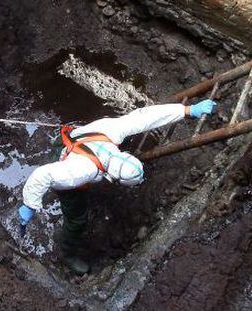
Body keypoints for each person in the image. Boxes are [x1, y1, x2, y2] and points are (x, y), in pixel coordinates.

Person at [17, 99, 216, 275]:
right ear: (111, 177)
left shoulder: (114, 131)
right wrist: (30, 204)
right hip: (65, 158)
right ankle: (67, 253)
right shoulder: (80, 173)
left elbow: (146, 117)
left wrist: (187, 110)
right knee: (77, 219)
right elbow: (42, 175)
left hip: (73, 141)